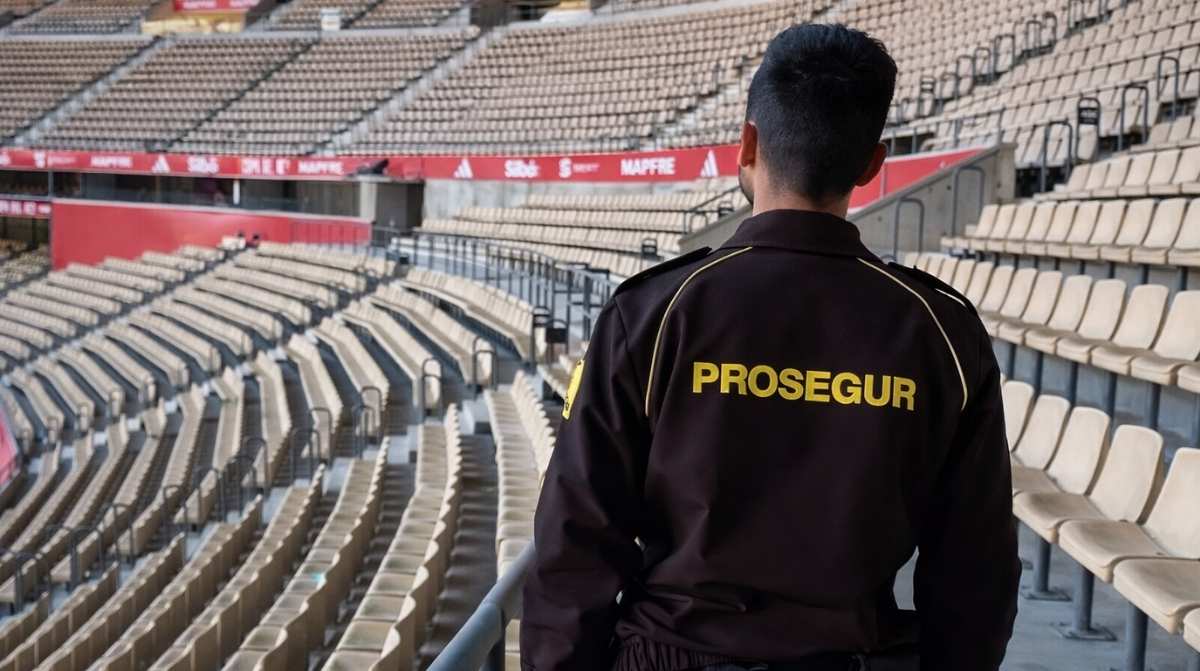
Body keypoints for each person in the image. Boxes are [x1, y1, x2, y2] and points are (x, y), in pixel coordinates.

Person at [521, 23, 1020, 671]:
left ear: (747, 143)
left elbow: (575, 541)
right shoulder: (941, 330)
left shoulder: (652, 312)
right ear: (873, 163)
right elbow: (974, 569)